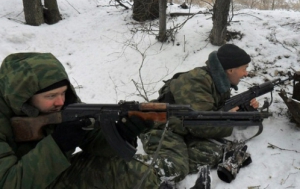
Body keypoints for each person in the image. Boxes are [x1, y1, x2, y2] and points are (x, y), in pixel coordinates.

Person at [0, 52, 167, 189]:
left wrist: (122, 133)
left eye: (63, 93)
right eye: (50, 96)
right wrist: (57, 145)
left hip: (49, 176)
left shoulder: (65, 105)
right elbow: (8, 183)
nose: (60, 102)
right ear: (23, 97)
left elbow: (93, 140)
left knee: (128, 171)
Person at [135, 44, 259, 188]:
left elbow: (212, 111)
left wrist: (245, 109)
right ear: (231, 70)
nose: (246, 73)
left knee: (216, 153)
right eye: (244, 68)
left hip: (182, 128)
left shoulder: (219, 82)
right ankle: (124, 167)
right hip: (161, 127)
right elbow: (201, 126)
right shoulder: (197, 81)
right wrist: (228, 118)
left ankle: (176, 157)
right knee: (175, 167)